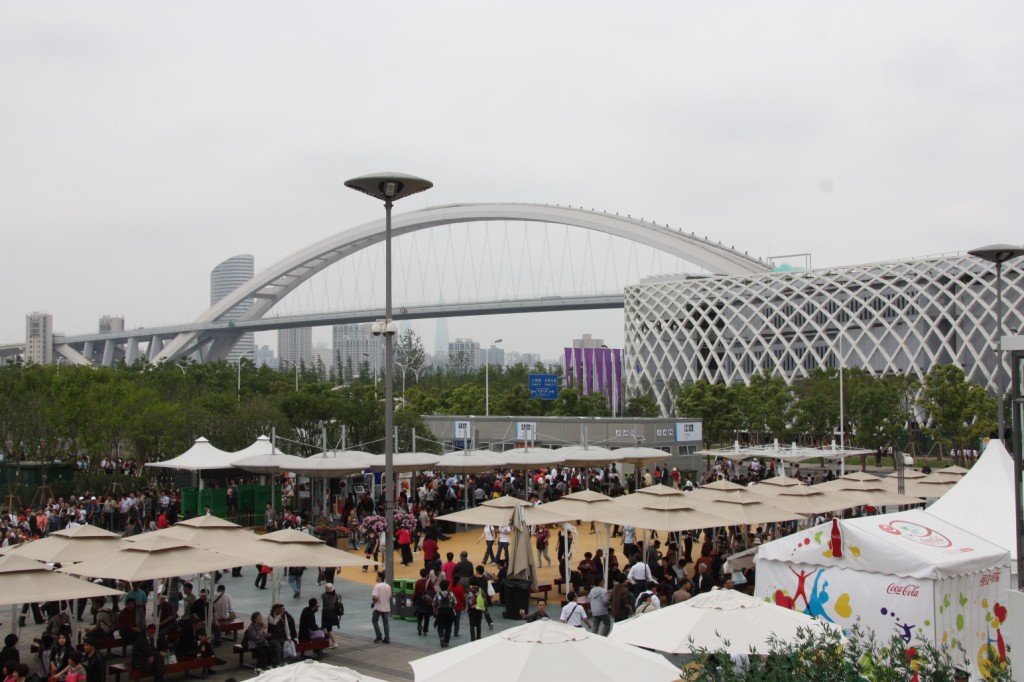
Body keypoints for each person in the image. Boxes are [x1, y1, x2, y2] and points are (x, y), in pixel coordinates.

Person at [432, 579, 457, 648]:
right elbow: (455, 603)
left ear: (440, 587)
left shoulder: (437, 594)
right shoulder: (451, 594)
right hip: (449, 612)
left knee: (440, 627)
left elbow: (434, 604)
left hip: (440, 612)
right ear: (448, 587)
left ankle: (441, 637)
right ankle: (446, 641)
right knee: (448, 627)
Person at [412, 569, 434, 637]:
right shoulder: (429, 582)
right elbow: (433, 591)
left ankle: (419, 626)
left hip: (419, 600)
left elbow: (415, 593)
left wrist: (413, 601)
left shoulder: (418, 582)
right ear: (427, 575)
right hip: (427, 602)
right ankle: (425, 630)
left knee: (419, 616)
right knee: (426, 617)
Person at [370, 571, 391, 644]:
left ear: (380, 578)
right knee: (386, 623)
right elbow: (389, 596)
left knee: (374, 621)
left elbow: (375, 597)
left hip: (378, 607)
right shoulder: (388, 586)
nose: (376, 578)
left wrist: (373, 603)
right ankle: (387, 638)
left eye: (377, 576)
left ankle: (379, 636)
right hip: (386, 607)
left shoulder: (377, 586)